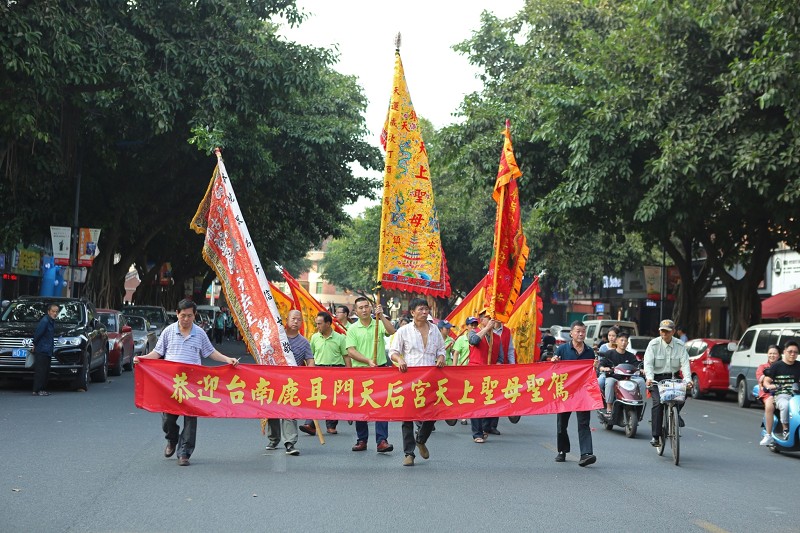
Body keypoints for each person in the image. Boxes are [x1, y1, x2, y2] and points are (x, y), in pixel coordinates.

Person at [133, 299, 239, 466]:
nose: (186, 319)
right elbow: (157, 353)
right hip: (171, 383)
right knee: (168, 418)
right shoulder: (168, 332)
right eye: (183, 315)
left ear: (194, 315)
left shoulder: (200, 333)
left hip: (192, 384)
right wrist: (141, 359)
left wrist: (227, 359)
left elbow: (210, 352)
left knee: (190, 418)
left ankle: (185, 453)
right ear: (177, 314)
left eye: (190, 316)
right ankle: (172, 439)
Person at [389, 298, 446, 466]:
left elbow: (441, 349)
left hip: (430, 379)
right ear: (412, 312)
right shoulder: (404, 331)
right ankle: (409, 453)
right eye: (421, 309)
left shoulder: (435, 330)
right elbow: (393, 351)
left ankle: (420, 439)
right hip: (409, 379)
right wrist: (399, 359)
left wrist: (441, 357)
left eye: (426, 309)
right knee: (407, 416)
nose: (424, 312)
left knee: (431, 413)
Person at [345, 296, 396, 453]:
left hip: (380, 370)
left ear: (371, 308)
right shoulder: (353, 329)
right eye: (360, 308)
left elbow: (392, 331)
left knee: (382, 405)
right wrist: (367, 360)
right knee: (361, 406)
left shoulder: (378, 324)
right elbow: (351, 351)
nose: (364, 310)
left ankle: (382, 440)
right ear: (356, 311)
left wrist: (382, 316)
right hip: (361, 371)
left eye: (366, 306)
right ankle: (362, 439)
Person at [551, 320, 597, 466]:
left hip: (582, 393)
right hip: (565, 392)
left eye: (583, 331)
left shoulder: (589, 351)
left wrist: (595, 367)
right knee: (562, 424)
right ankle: (562, 451)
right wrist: (553, 361)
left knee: (584, 423)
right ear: (571, 333)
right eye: (578, 331)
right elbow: (554, 370)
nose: (581, 334)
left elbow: (591, 373)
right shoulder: (562, 350)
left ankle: (586, 454)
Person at [270, 310, 314, 454]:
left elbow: (310, 361)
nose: (296, 322)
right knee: (272, 411)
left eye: (299, 320)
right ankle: (273, 438)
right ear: (287, 320)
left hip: (292, 384)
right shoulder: (277, 339)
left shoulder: (304, 342)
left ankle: (290, 442)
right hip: (274, 380)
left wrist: (309, 374)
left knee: (289, 411)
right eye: (293, 319)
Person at [299, 311, 349, 436]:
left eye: (320, 324)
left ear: (328, 324)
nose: (317, 327)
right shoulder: (315, 337)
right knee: (315, 397)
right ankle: (310, 424)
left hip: (336, 370)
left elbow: (346, 357)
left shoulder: (340, 338)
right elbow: (310, 355)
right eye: (316, 324)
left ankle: (331, 425)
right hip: (319, 370)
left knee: (333, 399)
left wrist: (349, 373)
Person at [643, 319, 691, 448]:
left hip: (674, 378)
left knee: (686, 392)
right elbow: (648, 364)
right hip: (656, 379)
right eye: (662, 331)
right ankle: (656, 436)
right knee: (658, 403)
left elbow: (685, 364)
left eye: (667, 332)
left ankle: (676, 413)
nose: (664, 334)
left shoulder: (680, 345)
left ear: (673, 332)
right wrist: (649, 378)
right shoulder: (653, 344)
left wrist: (688, 380)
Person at [597, 332, 646, 413]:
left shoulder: (631, 356)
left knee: (641, 381)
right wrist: (603, 368)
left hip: (628, 379)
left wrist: (641, 369)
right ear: (617, 341)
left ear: (628, 343)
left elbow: (636, 365)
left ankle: (639, 404)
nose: (623, 343)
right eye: (621, 340)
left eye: (625, 341)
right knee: (609, 382)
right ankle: (609, 406)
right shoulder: (610, 353)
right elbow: (602, 363)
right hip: (614, 378)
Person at [762, 341, 800, 441]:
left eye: (795, 352)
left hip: (797, 396)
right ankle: (785, 430)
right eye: (790, 351)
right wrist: (769, 386)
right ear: (784, 351)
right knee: (785, 405)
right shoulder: (776, 366)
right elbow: (766, 380)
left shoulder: (799, 365)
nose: (793, 354)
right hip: (782, 395)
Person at [484, 314, 515, 435]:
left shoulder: (507, 331)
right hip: (486, 368)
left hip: (501, 368)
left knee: (498, 397)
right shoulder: (486, 330)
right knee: (487, 395)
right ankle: (484, 424)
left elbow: (510, 350)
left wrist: (512, 366)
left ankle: (493, 425)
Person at [467, 313, 495, 443]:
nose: (490, 321)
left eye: (491, 319)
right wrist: (486, 329)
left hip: (489, 373)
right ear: (481, 320)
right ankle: (477, 433)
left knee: (489, 401)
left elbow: (499, 355)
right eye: (487, 318)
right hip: (475, 371)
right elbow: (474, 341)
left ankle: (485, 428)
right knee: (476, 402)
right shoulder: (473, 332)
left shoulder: (495, 337)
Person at [32, 303, 59, 396]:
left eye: (56, 312)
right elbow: (38, 334)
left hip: (47, 349)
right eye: (53, 311)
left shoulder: (51, 321)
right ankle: (38, 390)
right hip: (42, 349)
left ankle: (41, 389)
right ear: (48, 311)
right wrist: (34, 344)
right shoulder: (45, 321)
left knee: (46, 371)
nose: (55, 313)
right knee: (41, 371)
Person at [757, 345, 781, 445]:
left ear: (779, 355)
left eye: (774, 353)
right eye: (770, 353)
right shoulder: (763, 367)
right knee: (770, 405)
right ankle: (768, 435)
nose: (772, 355)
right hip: (768, 393)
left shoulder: (784, 365)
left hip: (783, 392)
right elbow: (762, 378)